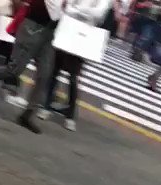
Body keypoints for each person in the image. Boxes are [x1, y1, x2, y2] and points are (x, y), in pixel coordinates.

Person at [0, 0, 65, 134]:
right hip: (32, 27)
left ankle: (28, 114)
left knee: (45, 74)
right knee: (14, 69)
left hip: (48, 32)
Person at [38, 0, 112, 131]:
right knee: (55, 71)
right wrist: (83, 13)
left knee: (73, 78)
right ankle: (46, 106)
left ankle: (70, 116)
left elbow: (98, 14)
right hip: (68, 29)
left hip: (84, 36)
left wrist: (77, 10)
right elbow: (68, 7)